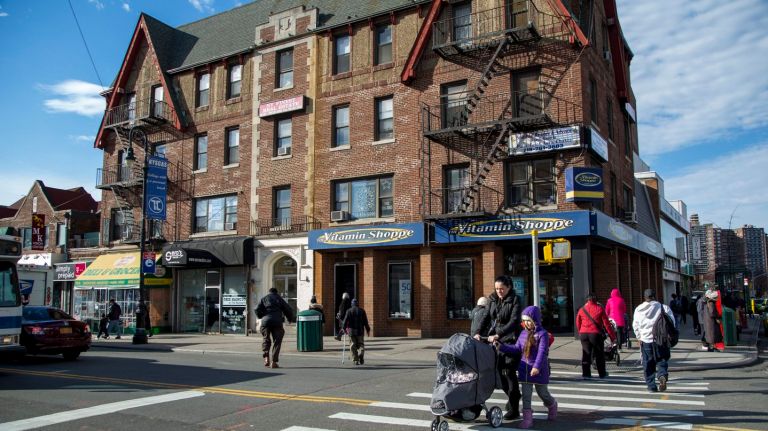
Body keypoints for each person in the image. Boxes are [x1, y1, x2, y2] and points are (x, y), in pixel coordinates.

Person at [495, 306, 557, 429]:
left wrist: (536, 367)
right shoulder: (523, 333)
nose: (526, 323)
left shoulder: (542, 334)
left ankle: (552, 405)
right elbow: (517, 348)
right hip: (525, 369)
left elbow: (542, 352)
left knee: (543, 393)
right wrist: (501, 347)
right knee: (526, 396)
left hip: (539, 370)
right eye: (524, 320)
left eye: (529, 320)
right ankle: (527, 420)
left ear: (535, 320)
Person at [486, 275, 522, 421]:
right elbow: (486, 317)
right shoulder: (492, 299)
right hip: (497, 342)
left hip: (511, 341)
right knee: (500, 375)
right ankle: (514, 397)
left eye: (502, 288)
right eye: (496, 288)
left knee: (509, 373)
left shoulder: (515, 300)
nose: (499, 291)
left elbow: (514, 321)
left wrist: (498, 334)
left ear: (509, 287)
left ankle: (514, 409)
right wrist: (476, 333)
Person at [632, 288, 675, 393]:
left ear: (644, 297)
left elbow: (635, 325)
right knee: (662, 359)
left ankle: (651, 386)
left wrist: (639, 337)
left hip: (646, 340)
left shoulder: (638, 309)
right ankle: (662, 375)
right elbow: (672, 322)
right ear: (655, 296)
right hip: (661, 339)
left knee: (648, 363)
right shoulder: (663, 307)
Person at [576, 293, 616, 379]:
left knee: (586, 354)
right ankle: (602, 373)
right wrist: (612, 337)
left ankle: (586, 374)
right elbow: (607, 324)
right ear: (596, 300)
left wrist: (580, 332)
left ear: (587, 300)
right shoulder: (599, 308)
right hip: (595, 334)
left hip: (584, 334)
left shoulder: (582, 309)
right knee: (599, 354)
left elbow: (578, 322)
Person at [256, 287, 296, 368]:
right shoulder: (279, 298)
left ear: (269, 292)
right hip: (277, 322)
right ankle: (274, 362)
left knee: (266, 339)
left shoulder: (264, 299)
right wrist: (290, 319)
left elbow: (256, 309)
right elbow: (288, 309)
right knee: (277, 342)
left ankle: (266, 358)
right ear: (276, 292)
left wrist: (261, 316)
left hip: (266, 322)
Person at [341, 298, 370, 365]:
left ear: (352, 304)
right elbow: (366, 322)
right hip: (360, 331)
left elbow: (345, 321)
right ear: (357, 304)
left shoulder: (349, 311)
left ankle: (355, 360)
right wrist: (368, 330)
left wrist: (343, 328)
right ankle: (361, 353)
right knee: (361, 344)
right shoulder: (362, 311)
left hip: (351, 331)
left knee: (353, 345)